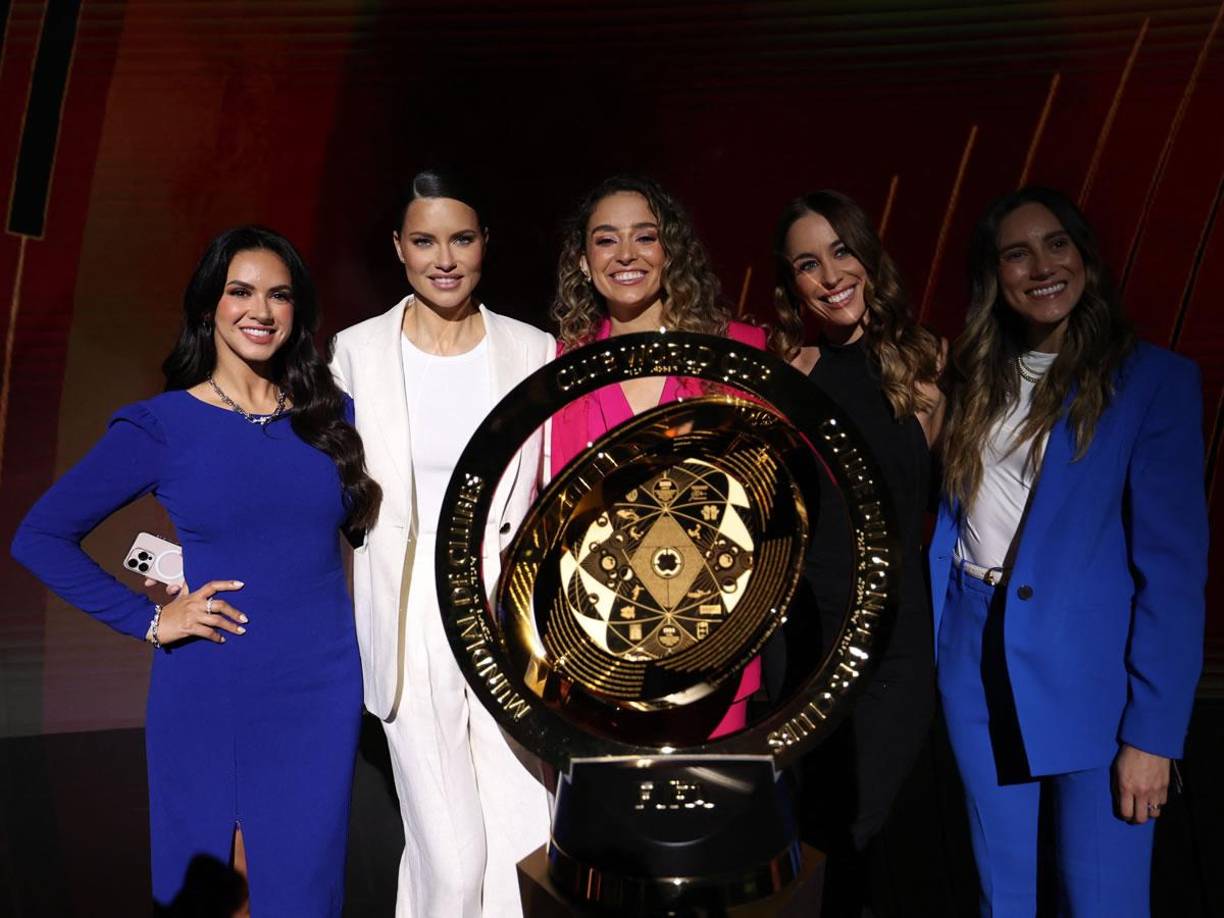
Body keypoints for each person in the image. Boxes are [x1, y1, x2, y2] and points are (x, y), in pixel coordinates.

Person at [11, 226, 380, 915]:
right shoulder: (163, 425)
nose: (261, 312)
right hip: (217, 686)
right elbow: (40, 536)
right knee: (226, 894)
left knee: (305, 891)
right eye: (240, 291)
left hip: (322, 691)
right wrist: (150, 619)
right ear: (209, 304)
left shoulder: (334, 418)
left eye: (280, 295)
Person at [933, 186, 1207, 916]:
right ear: (995, 274)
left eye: (1057, 244)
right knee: (1004, 900)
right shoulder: (967, 377)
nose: (1041, 266)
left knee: (1105, 902)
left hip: (1096, 680)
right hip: (974, 656)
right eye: (1016, 253)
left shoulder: (1154, 382)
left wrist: (1153, 736)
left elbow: (1172, 577)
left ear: (1085, 255)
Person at [329, 169, 553, 918]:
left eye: (461, 238)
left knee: (529, 844)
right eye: (425, 241)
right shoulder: (355, 352)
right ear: (399, 248)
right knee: (454, 865)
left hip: (509, 617)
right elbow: (321, 492)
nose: (445, 258)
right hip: (407, 618)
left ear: (486, 242)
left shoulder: (534, 350)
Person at [769, 190, 945, 916]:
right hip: (811, 641)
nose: (830, 274)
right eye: (808, 264)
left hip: (899, 643)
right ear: (794, 286)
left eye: (842, 251)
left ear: (869, 256)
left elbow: (927, 508)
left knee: (870, 828)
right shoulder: (793, 372)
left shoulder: (931, 363)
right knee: (817, 836)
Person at [549, 174, 766, 736]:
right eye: (606, 240)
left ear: (671, 250)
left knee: (716, 817)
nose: (626, 255)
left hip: (718, 635)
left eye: (645, 237)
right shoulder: (558, 370)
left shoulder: (737, 353)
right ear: (582, 260)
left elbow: (772, 496)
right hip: (601, 646)